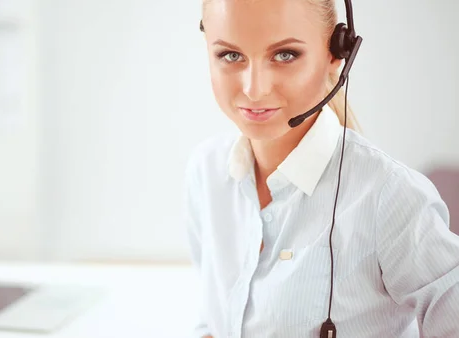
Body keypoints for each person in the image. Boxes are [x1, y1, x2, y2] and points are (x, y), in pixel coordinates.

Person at [183, 0, 459, 337]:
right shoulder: (207, 172)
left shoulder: (388, 197)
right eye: (230, 55)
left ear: (336, 53)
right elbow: (211, 320)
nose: (254, 89)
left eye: (284, 55)